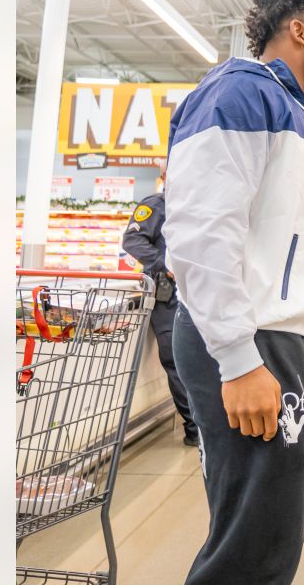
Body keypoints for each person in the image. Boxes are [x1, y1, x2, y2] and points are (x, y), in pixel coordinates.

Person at [163, 0, 304, 585]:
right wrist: (237, 361)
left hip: (291, 340)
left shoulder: (301, 116)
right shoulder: (240, 92)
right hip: (258, 341)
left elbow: (288, 231)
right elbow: (200, 234)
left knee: (277, 527)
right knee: (250, 545)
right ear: (297, 31)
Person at [121, 167, 198, 447]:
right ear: (165, 177)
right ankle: (194, 429)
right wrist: (165, 264)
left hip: (195, 295)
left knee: (198, 361)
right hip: (167, 297)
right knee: (176, 361)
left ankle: (203, 424)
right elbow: (132, 240)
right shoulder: (156, 206)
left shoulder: (196, 205)